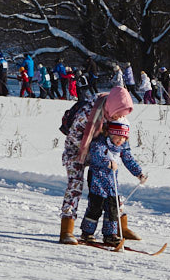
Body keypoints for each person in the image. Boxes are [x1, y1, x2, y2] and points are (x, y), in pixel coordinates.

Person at [58, 85, 135, 244]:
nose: (118, 118)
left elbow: (121, 139)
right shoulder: (87, 113)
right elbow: (73, 137)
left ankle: (121, 226)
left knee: (112, 187)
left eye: (122, 115)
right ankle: (67, 228)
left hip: (102, 155)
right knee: (75, 186)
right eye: (118, 114)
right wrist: (96, 150)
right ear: (112, 107)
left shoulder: (114, 112)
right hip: (77, 152)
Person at [81, 120, 146, 245]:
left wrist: (139, 173)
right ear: (111, 134)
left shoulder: (122, 146)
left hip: (111, 182)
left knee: (113, 208)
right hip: (97, 179)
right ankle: (87, 232)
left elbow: (128, 159)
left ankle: (110, 234)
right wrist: (108, 162)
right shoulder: (101, 142)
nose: (120, 141)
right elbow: (96, 154)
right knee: (96, 206)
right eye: (118, 137)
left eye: (123, 138)